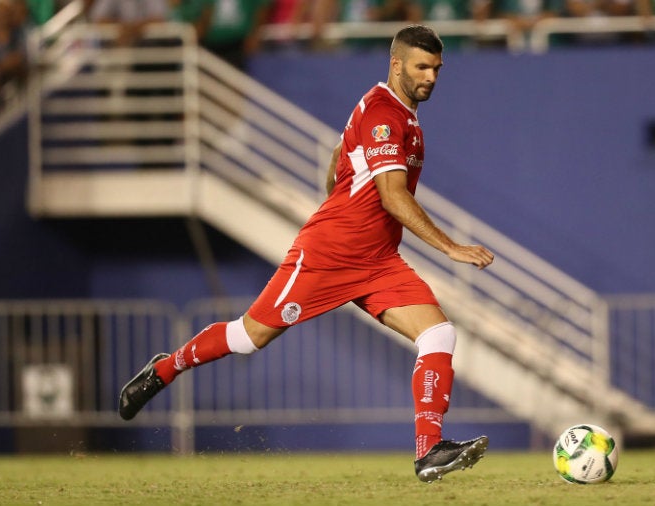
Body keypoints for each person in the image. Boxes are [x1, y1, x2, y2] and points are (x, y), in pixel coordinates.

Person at [119, 24, 494, 483]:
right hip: (329, 255)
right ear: (396, 65)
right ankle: (166, 368)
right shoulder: (384, 113)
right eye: (421, 66)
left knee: (438, 334)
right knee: (247, 338)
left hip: (377, 262)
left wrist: (340, 197)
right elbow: (394, 196)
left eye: (437, 68)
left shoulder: (397, 113)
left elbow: (339, 157)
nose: (431, 77)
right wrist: (450, 247)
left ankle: (428, 450)